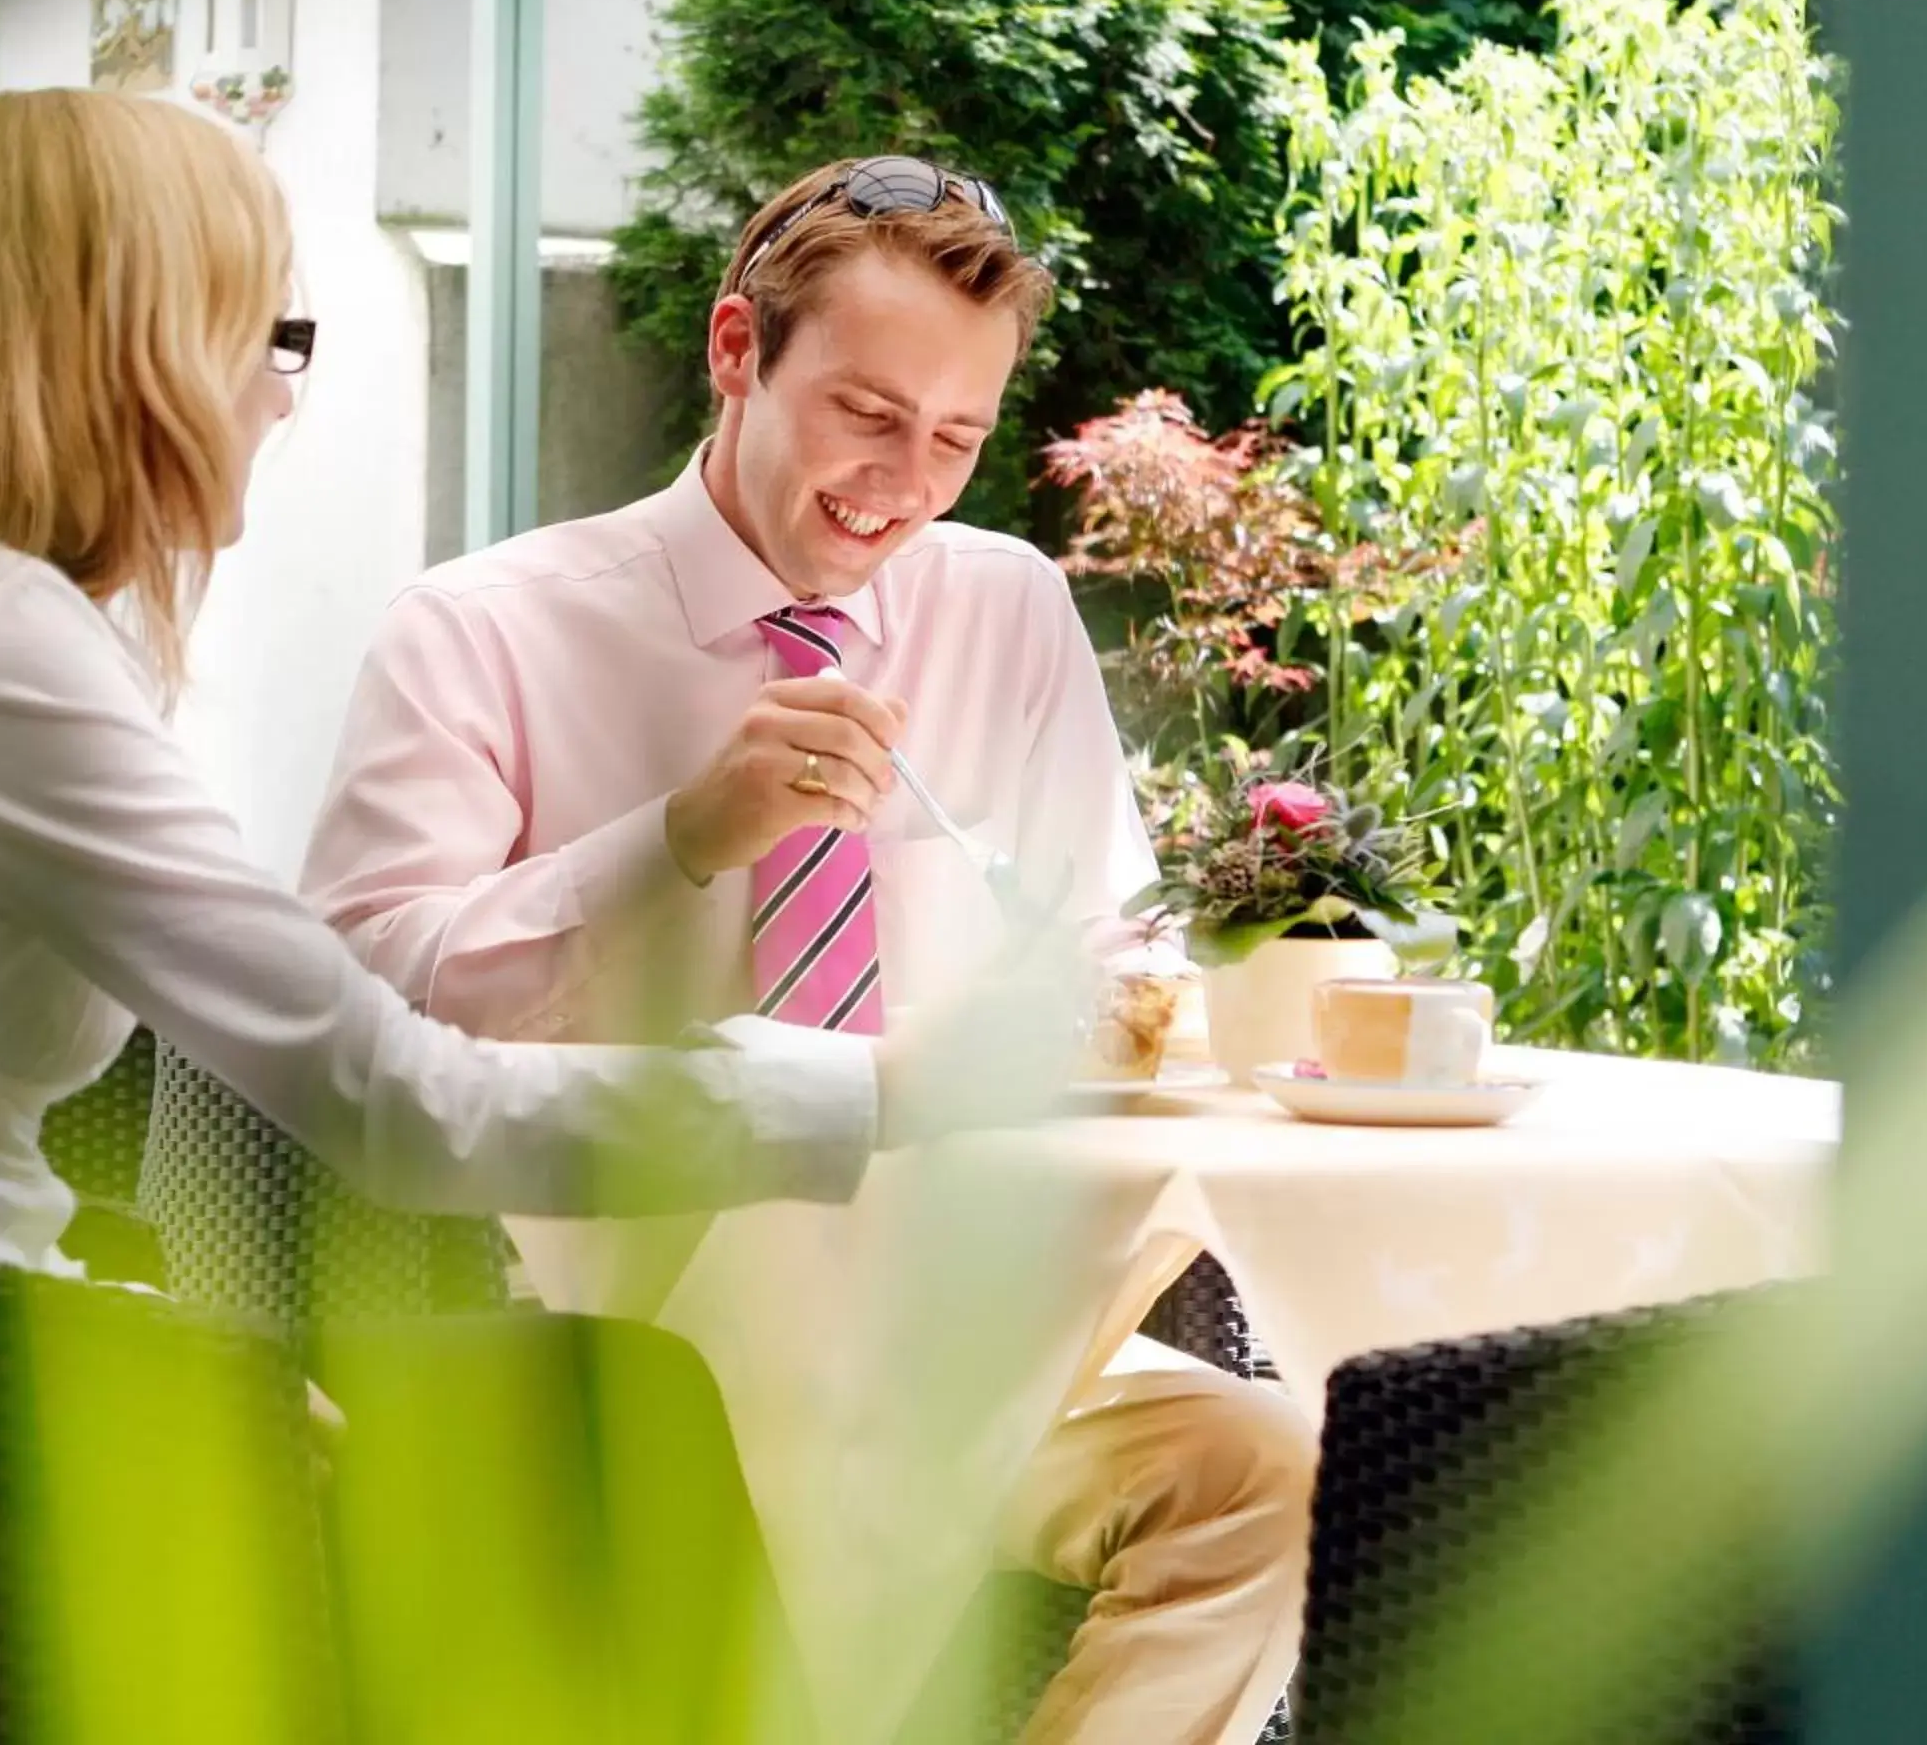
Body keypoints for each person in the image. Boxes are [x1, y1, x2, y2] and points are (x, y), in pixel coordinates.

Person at [0, 92, 969, 1745]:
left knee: (562, 1417)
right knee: (615, 1416)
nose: (280, 395)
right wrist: (880, 1095)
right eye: (270, 331)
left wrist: (186, 1365)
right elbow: (394, 1099)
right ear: (136, 347)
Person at [304, 155, 1314, 1745]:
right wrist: (681, 838)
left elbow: (1102, 949)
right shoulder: (479, 630)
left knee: (1264, 1473)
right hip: (629, 1348)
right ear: (733, 352)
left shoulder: (1009, 610)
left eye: (957, 439)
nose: (904, 481)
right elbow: (370, 1000)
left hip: (970, 1329)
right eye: (866, 412)